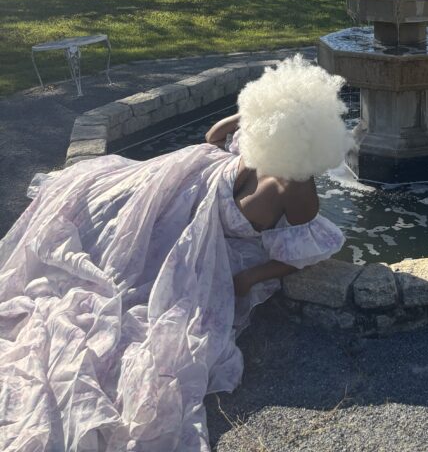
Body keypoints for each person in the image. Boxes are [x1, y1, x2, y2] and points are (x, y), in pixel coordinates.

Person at [0, 55, 350, 452]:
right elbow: (304, 251)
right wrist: (248, 278)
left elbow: (212, 139)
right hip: (181, 196)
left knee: (109, 246)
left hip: (186, 205)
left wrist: (246, 119)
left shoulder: (277, 164)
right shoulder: (280, 167)